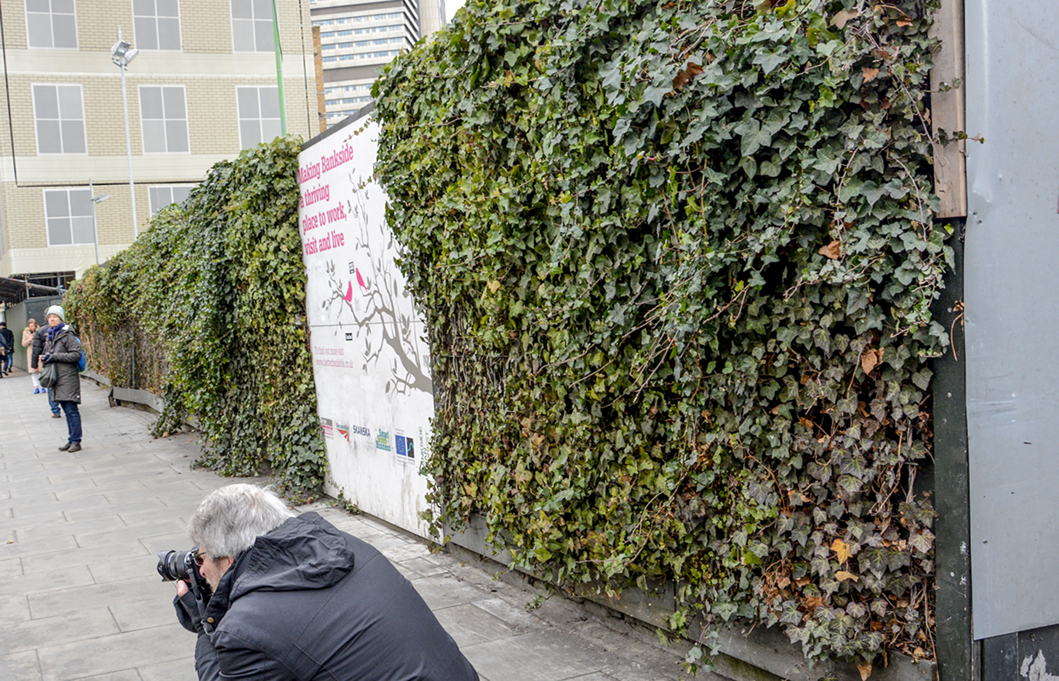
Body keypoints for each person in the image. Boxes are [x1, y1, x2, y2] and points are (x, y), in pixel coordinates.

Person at [172, 484, 480, 681]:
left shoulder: (247, 629)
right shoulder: (344, 545)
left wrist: (204, 625)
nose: (200, 571)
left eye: (202, 559)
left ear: (226, 560)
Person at [40, 305, 82, 452]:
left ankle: (76, 441)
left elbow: (76, 354)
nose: (52, 319)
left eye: (55, 316)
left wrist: (55, 357)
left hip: (67, 377)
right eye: (50, 316)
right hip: (59, 378)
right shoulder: (51, 335)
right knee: (66, 410)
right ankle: (71, 440)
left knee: (71, 410)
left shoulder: (67, 335)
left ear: (61, 319)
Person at [32, 318, 62, 418]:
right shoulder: (64, 329)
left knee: (50, 383)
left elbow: (36, 349)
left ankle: (55, 410)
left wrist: (34, 365)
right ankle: (67, 405)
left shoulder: (40, 331)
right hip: (63, 361)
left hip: (48, 362)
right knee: (64, 383)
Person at [22, 319, 42, 393]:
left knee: (40, 369)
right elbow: (23, 344)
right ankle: (36, 387)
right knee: (33, 370)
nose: (32, 328)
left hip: (39, 351)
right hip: (30, 352)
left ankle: (42, 385)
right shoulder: (25, 333)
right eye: (30, 326)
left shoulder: (39, 331)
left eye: (33, 326)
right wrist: (29, 340)